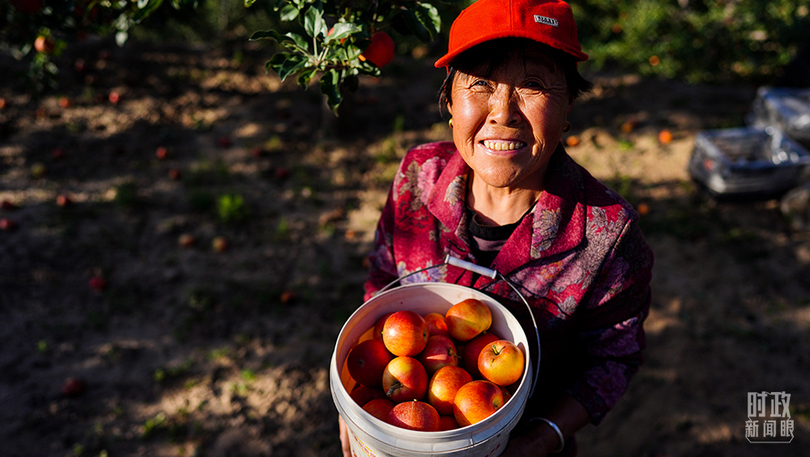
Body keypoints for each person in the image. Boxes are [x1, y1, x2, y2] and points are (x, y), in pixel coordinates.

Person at [340, 0, 654, 455]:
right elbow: (384, 281)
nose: (503, 112)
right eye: (481, 83)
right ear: (450, 102)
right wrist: (356, 404)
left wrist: (542, 438)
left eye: (533, 86)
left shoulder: (606, 234)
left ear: (567, 108)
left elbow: (614, 356)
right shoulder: (418, 175)